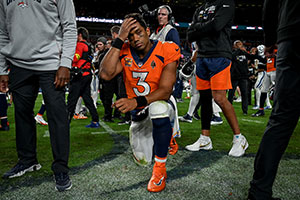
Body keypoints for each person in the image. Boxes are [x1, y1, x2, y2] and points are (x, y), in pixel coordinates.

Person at [0, 0, 77, 191]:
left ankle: (60, 168)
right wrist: (2, 68)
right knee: (22, 114)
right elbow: (2, 32)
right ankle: (27, 160)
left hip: (51, 63)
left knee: (57, 116)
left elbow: (69, 26)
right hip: (18, 63)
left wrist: (65, 63)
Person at [100, 13, 181, 192]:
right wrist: (119, 38)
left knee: (158, 109)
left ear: (148, 31)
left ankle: (160, 171)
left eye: (138, 33)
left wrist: (135, 102)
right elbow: (105, 74)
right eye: (130, 36)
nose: (135, 39)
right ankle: (165, 137)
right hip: (138, 114)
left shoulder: (167, 49)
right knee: (143, 161)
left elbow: (166, 90)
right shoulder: (125, 50)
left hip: (161, 103)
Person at [248, 0, 300, 199]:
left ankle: (259, 192)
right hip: (289, 34)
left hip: (291, 35)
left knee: (280, 120)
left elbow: (270, 4)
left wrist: (270, 38)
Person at [185, 0, 248, 157]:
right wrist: (205, 27)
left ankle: (239, 138)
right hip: (202, 56)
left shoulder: (227, 3)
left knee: (219, 98)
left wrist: (198, 28)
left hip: (220, 55)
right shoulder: (200, 7)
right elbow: (189, 35)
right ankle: (205, 138)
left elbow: (217, 25)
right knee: (205, 98)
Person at [150, 4, 181, 145]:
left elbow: (176, 52)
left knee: (167, 100)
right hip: (154, 71)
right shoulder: (155, 32)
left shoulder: (171, 31)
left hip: (164, 71)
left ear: (169, 17)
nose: (160, 17)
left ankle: (172, 133)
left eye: (163, 14)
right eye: (159, 14)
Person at [67, 27, 100, 128]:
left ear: (80, 35)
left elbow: (75, 58)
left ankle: (65, 122)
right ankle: (95, 120)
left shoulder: (80, 45)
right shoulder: (89, 45)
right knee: (87, 98)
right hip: (87, 74)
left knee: (72, 99)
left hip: (79, 76)